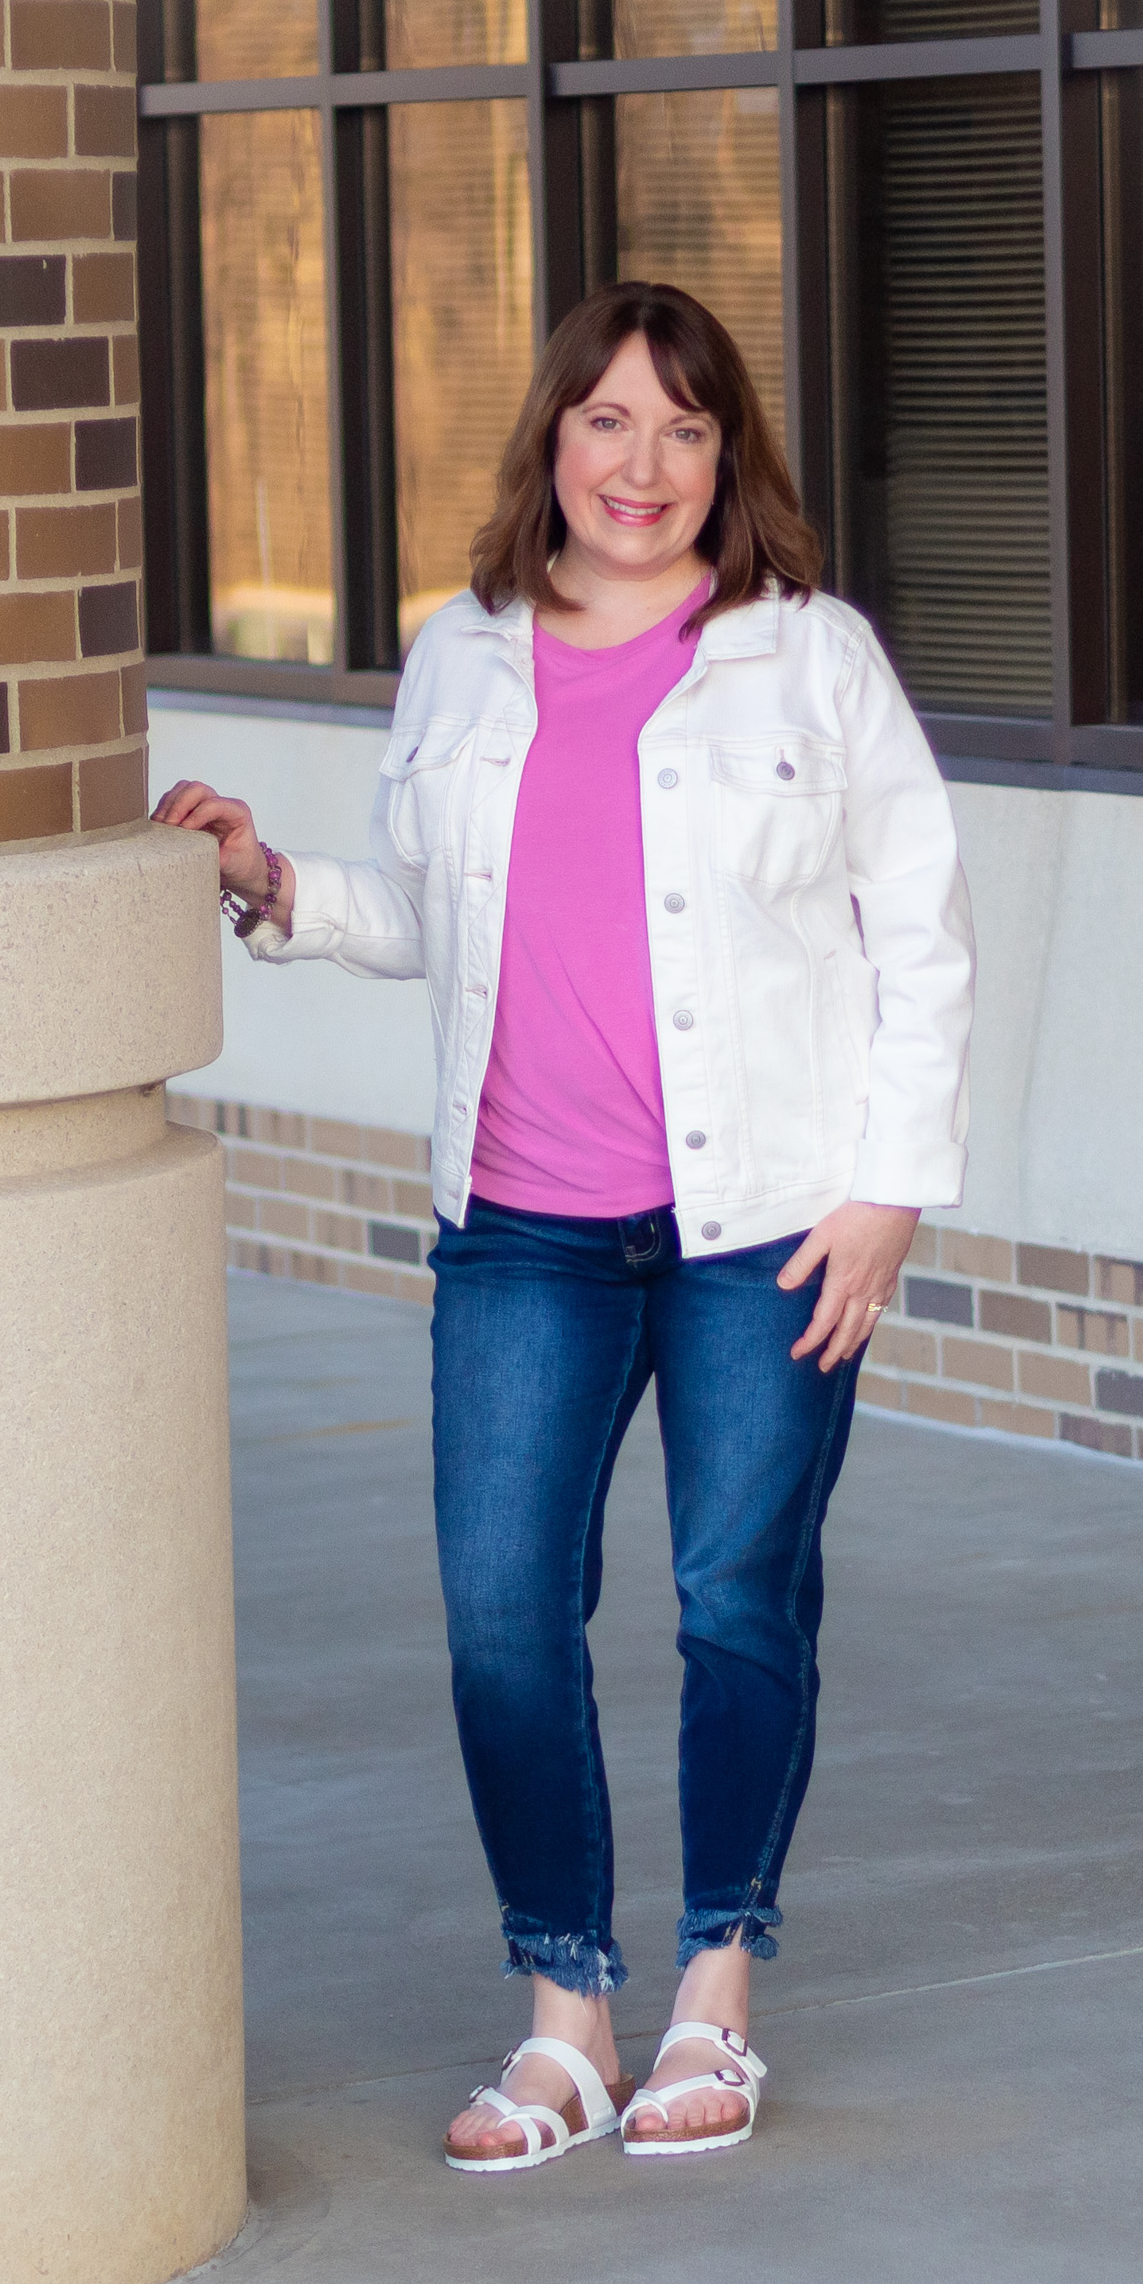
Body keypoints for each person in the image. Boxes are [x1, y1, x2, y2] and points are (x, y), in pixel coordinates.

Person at [153, 279, 974, 2171]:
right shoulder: (466, 656)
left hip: (760, 1223)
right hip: (520, 1221)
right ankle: (564, 2016)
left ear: (725, 459)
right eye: (609, 422)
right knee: (503, 1618)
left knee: (733, 1605)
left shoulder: (811, 658)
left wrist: (885, 1194)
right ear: (552, 440)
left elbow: (917, 933)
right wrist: (271, 882)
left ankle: (714, 1994)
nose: (643, 465)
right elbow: (453, 918)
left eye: (684, 430)